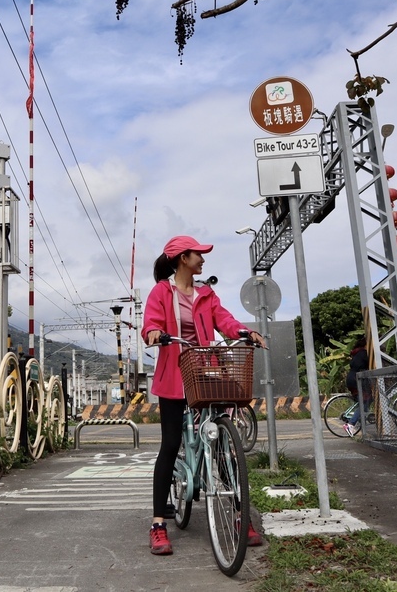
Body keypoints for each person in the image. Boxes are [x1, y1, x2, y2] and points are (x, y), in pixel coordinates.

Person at [142, 235, 267, 556]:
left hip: (204, 372)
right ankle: (158, 524)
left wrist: (242, 331)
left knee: (224, 446)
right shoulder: (161, 292)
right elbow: (151, 323)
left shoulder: (206, 294)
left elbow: (223, 319)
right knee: (170, 444)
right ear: (183, 258)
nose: (203, 259)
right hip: (173, 375)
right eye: (199, 254)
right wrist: (154, 332)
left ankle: (241, 516)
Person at [343, 335, 370, 436]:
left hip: (351, 378)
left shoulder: (357, 352)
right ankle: (351, 424)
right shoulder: (363, 354)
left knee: (365, 400)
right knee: (365, 402)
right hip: (356, 380)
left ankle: (358, 417)